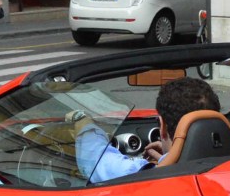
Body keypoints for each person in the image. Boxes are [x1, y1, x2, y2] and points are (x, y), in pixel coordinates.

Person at [74, 77, 221, 183]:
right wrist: (169, 156)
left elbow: (95, 160)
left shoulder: (140, 174)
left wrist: (81, 120)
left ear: (162, 127)